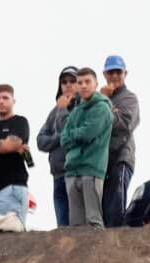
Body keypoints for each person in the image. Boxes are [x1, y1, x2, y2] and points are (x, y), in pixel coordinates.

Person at [61, 68, 114, 227]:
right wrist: (76, 135)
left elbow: (87, 134)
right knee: (75, 227)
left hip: (91, 170)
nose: (83, 86)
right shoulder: (75, 111)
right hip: (72, 171)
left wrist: (74, 135)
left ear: (96, 84)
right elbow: (63, 139)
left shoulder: (102, 108)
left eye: (87, 82)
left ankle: (100, 253)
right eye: (80, 82)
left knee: (93, 223)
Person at [0, 85, 32, 225]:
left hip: (13, 186)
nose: (1, 101)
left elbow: (11, 145)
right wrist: (5, 147)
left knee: (14, 233)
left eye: (5, 98)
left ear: (13, 101)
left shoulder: (20, 122)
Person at [100, 55, 141, 228]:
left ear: (125, 73)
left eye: (118, 71)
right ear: (104, 74)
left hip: (121, 159)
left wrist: (104, 102)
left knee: (115, 208)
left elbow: (123, 124)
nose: (114, 76)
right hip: (102, 162)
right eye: (111, 72)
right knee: (103, 211)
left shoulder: (129, 98)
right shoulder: (99, 98)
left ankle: (118, 248)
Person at [35, 67, 79, 227]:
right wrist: (60, 138)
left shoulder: (83, 106)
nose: (68, 85)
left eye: (72, 81)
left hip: (76, 173)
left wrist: (62, 111)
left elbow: (71, 133)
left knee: (77, 228)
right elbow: (40, 141)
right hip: (57, 174)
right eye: (64, 82)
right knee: (62, 229)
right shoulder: (55, 111)